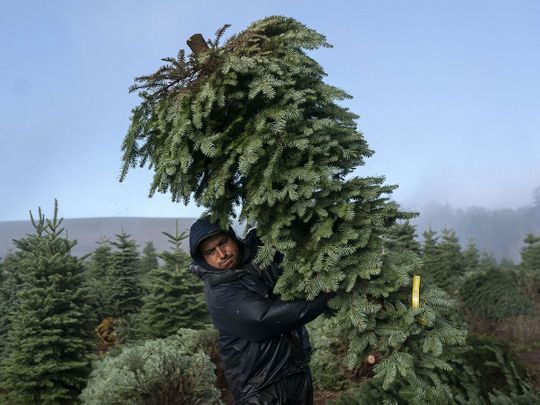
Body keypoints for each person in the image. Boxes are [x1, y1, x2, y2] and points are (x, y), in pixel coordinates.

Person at [189, 217, 332, 405]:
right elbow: (265, 318)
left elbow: (278, 231)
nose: (221, 254)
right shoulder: (220, 293)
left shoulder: (256, 257)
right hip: (260, 390)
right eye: (210, 251)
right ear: (204, 259)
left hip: (296, 373)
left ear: (232, 237)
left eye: (223, 243)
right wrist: (327, 295)